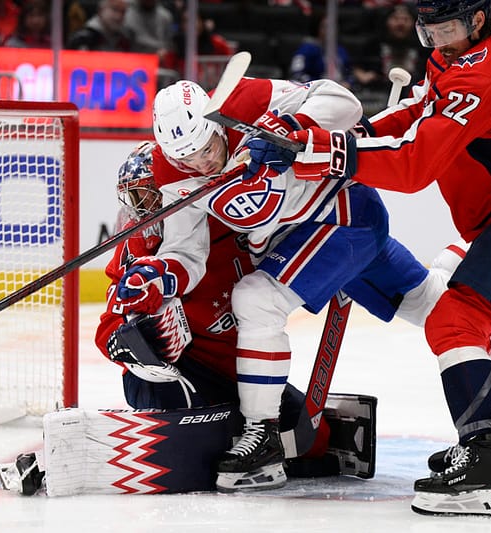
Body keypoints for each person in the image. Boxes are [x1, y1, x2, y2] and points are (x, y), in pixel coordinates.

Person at [269, 0, 491, 517]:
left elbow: (414, 164)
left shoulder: (484, 72)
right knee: (458, 316)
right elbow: (422, 110)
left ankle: (480, 466)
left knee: (456, 320)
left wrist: (322, 151)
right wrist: (354, 138)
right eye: (428, 32)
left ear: (478, 18)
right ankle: (487, 448)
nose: (436, 41)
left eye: (446, 29)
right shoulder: (465, 52)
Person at [115, 75, 458, 493]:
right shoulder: (172, 175)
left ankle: (262, 435)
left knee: (256, 299)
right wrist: (162, 276)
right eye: (189, 161)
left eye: (207, 150)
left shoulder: (247, 100)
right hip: (304, 241)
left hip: (342, 213)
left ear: (214, 124)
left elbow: (344, 102)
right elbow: (188, 253)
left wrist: (289, 125)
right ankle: (484, 436)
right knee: (438, 310)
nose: (203, 166)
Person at [0, 141, 389, 497]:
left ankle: (226, 442)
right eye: (137, 200)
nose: (146, 211)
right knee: (199, 428)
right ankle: (92, 452)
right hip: (177, 376)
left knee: (314, 439)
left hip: (239, 376)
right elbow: (109, 327)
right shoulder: (135, 251)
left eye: (153, 197)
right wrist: (135, 340)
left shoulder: (228, 226)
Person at [353, 4, 427, 94]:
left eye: (406, 19)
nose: (401, 23)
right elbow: (356, 67)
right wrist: (363, 76)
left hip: (415, 91)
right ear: (386, 21)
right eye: (395, 19)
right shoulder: (372, 44)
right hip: (378, 91)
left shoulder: (424, 45)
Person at [288, 15, 355, 88]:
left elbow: (350, 73)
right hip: (317, 91)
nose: (330, 31)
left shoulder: (341, 50)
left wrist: (348, 83)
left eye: (333, 27)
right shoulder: (307, 49)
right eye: (326, 27)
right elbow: (297, 74)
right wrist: (320, 85)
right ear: (318, 29)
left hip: (340, 90)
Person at [123, 0, 175, 67]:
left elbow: (169, 45)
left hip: (157, 64)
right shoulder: (127, 13)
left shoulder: (165, 17)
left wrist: (165, 51)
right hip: (131, 62)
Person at [66, 0, 131, 52]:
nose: (118, 16)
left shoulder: (126, 38)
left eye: (123, 12)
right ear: (101, 10)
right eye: (114, 9)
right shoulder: (83, 38)